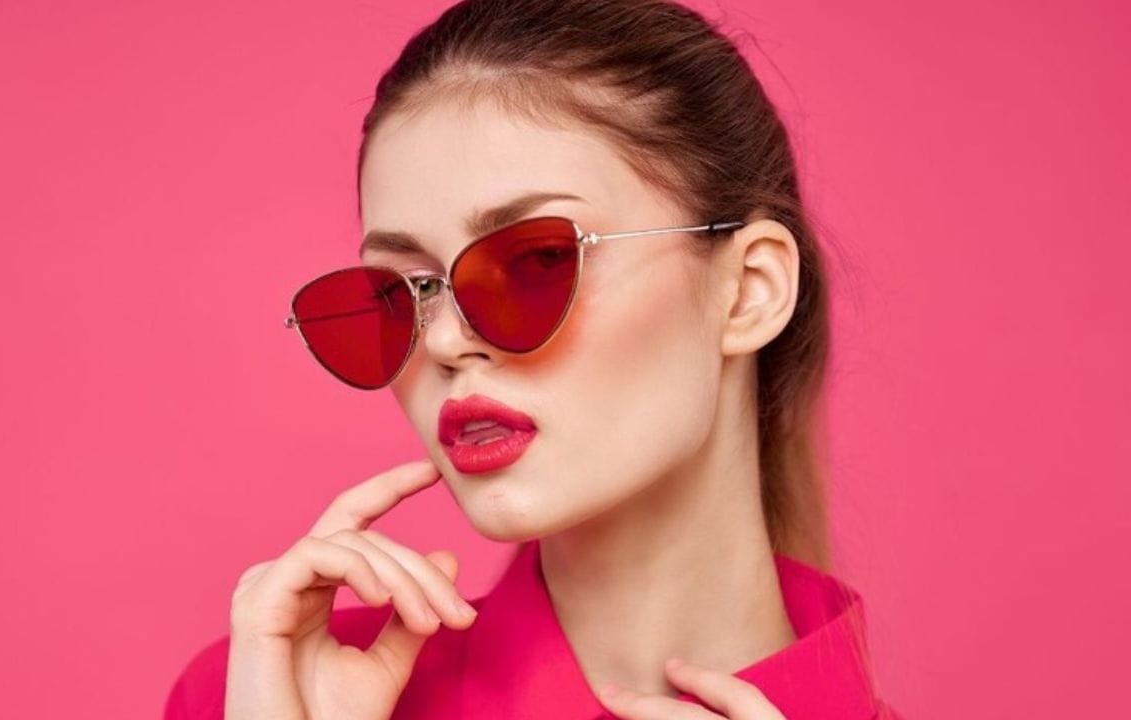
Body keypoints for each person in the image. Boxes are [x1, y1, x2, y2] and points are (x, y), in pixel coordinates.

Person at [165, 0, 905, 718]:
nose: (446, 341)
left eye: (538, 260)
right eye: (404, 291)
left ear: (748, 291)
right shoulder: (268, 691)